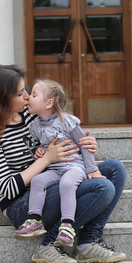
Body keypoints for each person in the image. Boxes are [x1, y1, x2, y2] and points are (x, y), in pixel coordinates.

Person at [0, 64, 127, 263]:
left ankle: (88, 242)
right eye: (20, 93)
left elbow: (65, 131)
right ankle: (48, 245)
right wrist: (45, 160)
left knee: (115, 169)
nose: (27, 96)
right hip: (22, 205)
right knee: (103, 188)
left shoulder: (32, 116)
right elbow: (8, 189)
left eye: (27, 90)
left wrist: (85, 144)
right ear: (2, 98)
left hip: (54, 180)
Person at [14, 79, 106, 248]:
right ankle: (34, 220)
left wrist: (92, 169)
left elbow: (84, 145)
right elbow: (41, 147)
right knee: (38, 181)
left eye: (33, 95)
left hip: (74, 167)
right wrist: (39, 152)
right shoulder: (34, 126)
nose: (28, 98)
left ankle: (67, 225)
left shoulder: (67, 121)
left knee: (67, 183)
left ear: (49, 103)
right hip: (55, 169)